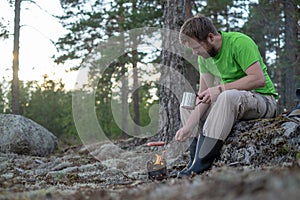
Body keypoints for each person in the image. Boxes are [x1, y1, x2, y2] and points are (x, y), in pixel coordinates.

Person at [175, 14, 278, 178]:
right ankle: (194, 159)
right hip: (229, 102)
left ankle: (203, 161)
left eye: (196, 48)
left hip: (262, 100)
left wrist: (221, 89)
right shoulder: (205, 58)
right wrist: (189, 126)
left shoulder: (239, 42)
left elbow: (258, 79)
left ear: (210, 37)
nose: (195, 53)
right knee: (189, 101)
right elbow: (203, 98)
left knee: (226, 96)